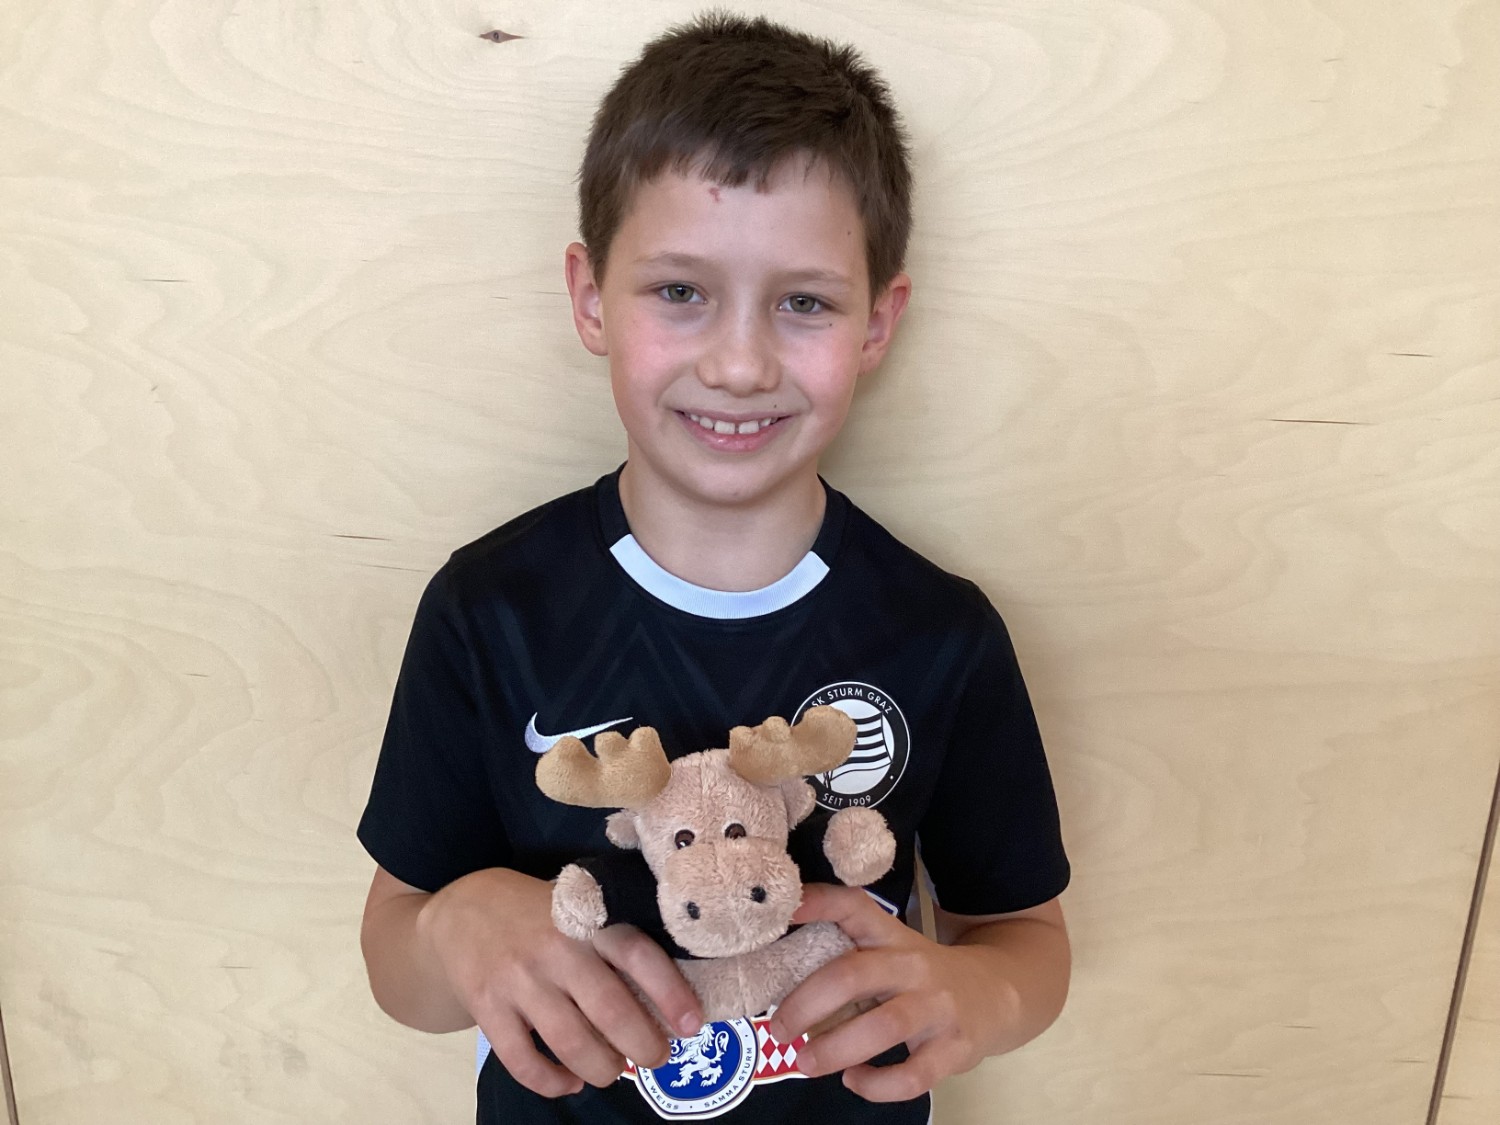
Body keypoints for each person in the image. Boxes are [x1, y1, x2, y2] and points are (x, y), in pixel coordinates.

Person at [357, 12, 1071, 1123]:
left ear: (878, 322)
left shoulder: (944, 635)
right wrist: (453, 925)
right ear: (591, 297)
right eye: (681, 291)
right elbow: (396, 964)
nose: (740, 364)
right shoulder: (487, 611)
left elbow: (1024, 936)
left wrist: (982, 991)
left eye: (804, 302)